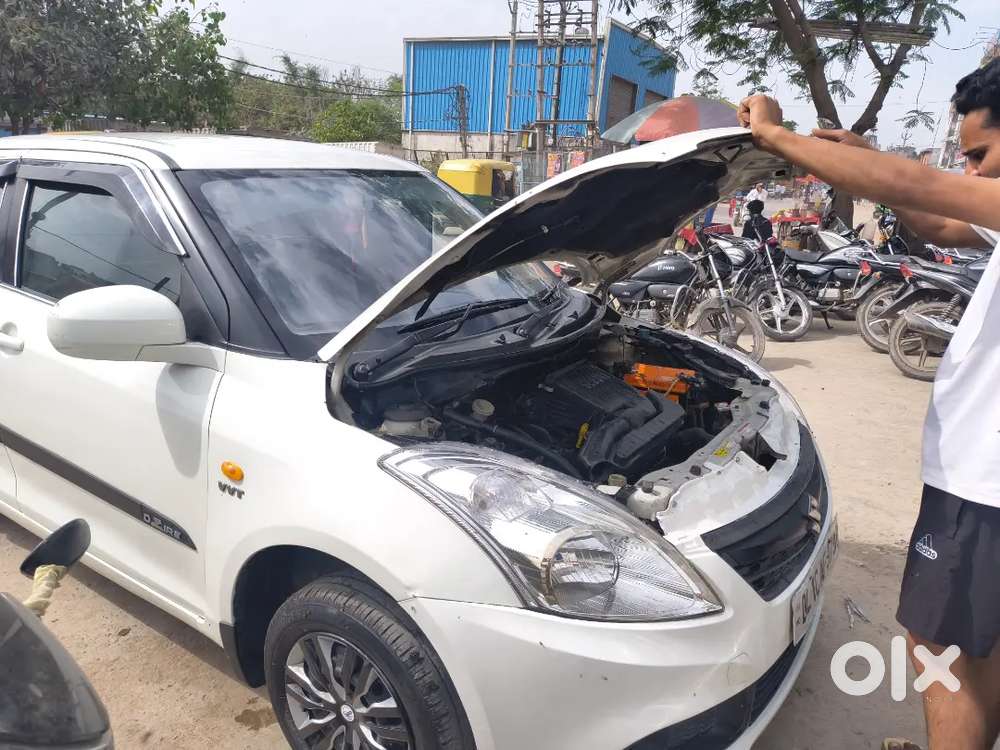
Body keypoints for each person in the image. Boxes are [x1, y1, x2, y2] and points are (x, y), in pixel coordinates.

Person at [738, 58, 1000, 750]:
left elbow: (920, 182)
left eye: (979, 156)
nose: (968, 174)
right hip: (978, 485)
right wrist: (858, 161)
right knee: (974, 646)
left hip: (986, 490)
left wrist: (775, 135)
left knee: (938, 645)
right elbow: (942, 224)